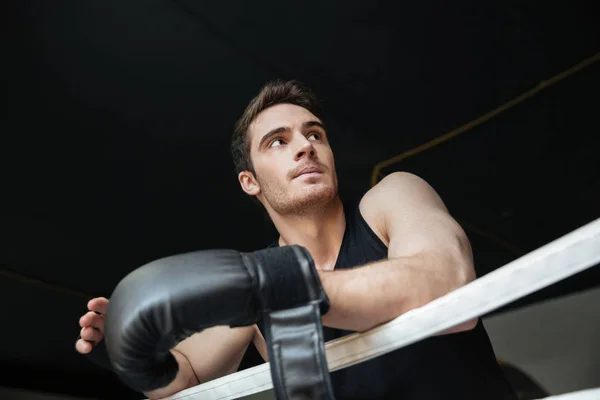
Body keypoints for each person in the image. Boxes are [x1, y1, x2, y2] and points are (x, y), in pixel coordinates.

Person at [75, 80, 517, 399]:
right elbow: (186, 378)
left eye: (314, 134)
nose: (305, 146)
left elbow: (449, 283)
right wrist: (128, 350)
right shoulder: (254, 281)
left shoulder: (391, 198)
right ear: (250, 182)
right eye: (277, 142)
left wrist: (276, 286)